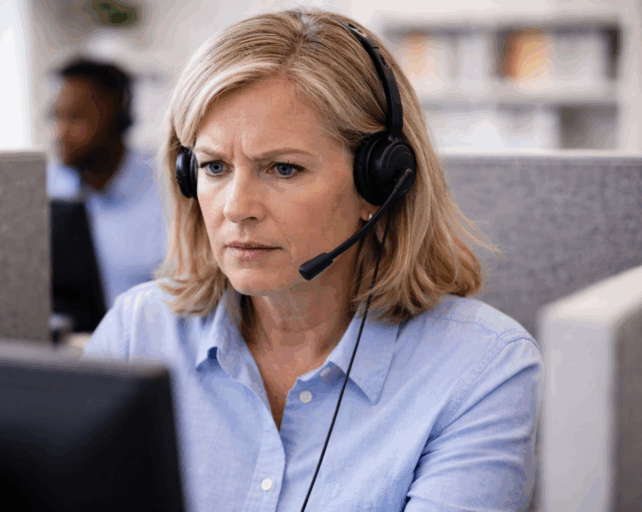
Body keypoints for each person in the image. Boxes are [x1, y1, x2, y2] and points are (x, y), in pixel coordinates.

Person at [84, 9, 542, 512]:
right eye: (214, 167)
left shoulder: (481, 368)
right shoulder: (138, 332)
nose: (236, 208)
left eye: (283, 168)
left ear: (380, 183)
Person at [48, 58, 167, 332]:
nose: (62, 132)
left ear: (119, 117)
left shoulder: (167, 190)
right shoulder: (47, 187)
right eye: (58, 117)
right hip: (74, 351)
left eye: (76, 117)